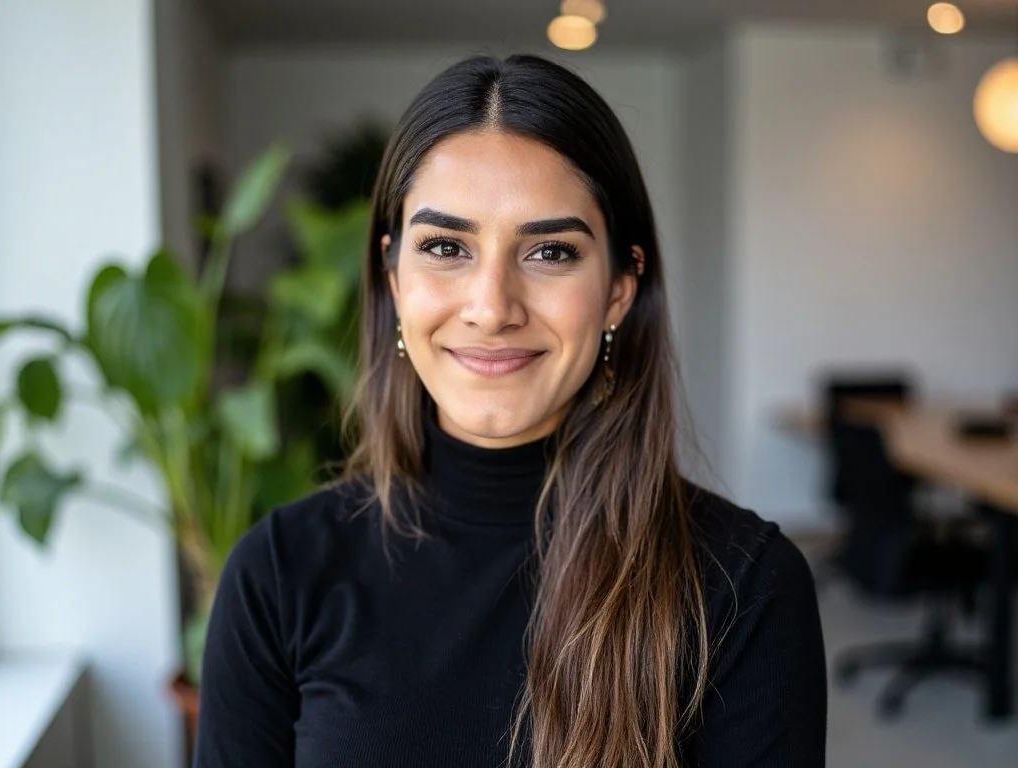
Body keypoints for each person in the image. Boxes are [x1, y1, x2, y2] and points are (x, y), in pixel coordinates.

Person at [193, 54, 826, 768]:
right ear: (394, 278)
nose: (492, 308)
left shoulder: (744, 586)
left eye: (551, 251)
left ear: (619, 289)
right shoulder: (278, 575)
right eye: (445, 248)